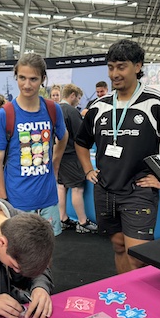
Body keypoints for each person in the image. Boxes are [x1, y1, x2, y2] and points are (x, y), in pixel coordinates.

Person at [75, 40, 160, 274]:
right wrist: (87, 170)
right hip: (105, 190)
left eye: (121, 67)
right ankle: (125, 293)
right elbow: (81, 142)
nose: (115, 74)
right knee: (118, 246)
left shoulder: (158, 103)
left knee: (139, 258)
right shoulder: (99, 106)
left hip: (138, 191)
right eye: (111, 67)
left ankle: (141, 296)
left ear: (137, 66)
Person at [0, 53, 68, 236]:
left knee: (48, 248)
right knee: (21, 250)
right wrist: (3, 198)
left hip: (48, 198)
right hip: (18, 200)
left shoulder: (52, 109)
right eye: (22, 78)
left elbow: (64, 137)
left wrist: (55, 163)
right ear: (16, 76)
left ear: (42, 79)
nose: (27, 84)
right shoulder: (5, 114)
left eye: (33, 79)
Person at [57, 84, 98, 234]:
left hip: (58, 156)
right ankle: (82, 222)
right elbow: (81, 136)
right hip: (71, 156)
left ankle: (62, 219)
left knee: (61, 186)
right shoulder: (71, 111)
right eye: (79, 98)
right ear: (73, 95)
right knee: (77, 189)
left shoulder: (55, 109)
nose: (79, 101)